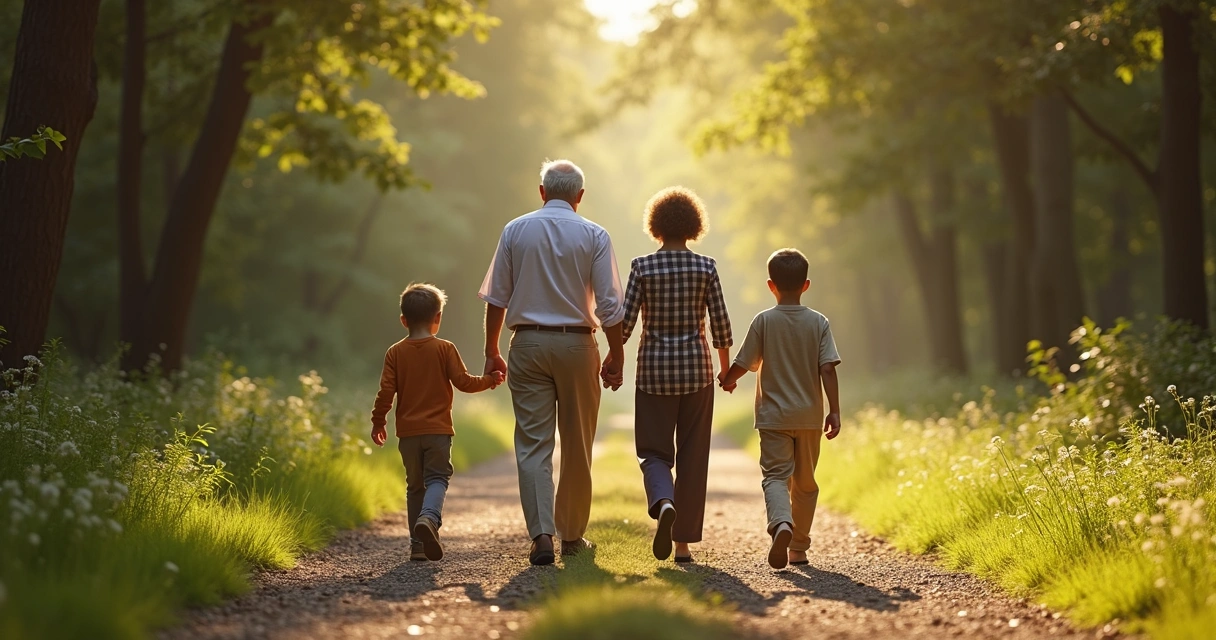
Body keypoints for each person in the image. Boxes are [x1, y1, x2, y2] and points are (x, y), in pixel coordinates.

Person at [478, 159, 626, 566]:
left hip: (526, 344)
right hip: (577, 345)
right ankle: (572, 537)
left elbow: (497, 297)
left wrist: (491, 350)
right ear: (580, 196)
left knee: (533, 444)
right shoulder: (595, 234)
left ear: (542, 192)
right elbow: (610, 304)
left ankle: (541, 534)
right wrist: (616, 352)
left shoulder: (515, 230)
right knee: (577, 444)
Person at [620, 186, 732, 564]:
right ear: (693, 225)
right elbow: (720, 324)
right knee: (693, 457)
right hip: (697, 373)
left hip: (653, 373)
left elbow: (624, 325)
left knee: (653, 451)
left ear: (656, 225)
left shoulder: (641, 267)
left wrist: (612, 360)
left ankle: (663, 500)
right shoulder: (707, 267)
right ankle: (682, 545)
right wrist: (726, 369)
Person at [719, 248, 841, 569]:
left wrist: (728, 380)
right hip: (810, 418)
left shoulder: (764, 321)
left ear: (771, 285)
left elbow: (744, 361)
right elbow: (828, 368)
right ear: (806, 285)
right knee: (805, 484)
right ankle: (798, 549)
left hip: (773, 417)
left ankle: (781, 523)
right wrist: (834, 410)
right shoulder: (819, 322)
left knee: (775, 477)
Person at [370, 283, 504, 562]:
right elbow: (464, 383)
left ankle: (418, 546)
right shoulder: (445, 348)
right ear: (438, 318)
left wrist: (378, 422)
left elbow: (386, 392)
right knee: (437, 479)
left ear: (403, 320)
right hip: (438, 432)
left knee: (414, 487)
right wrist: (490, 380)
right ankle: (429, 518)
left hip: (408, 434)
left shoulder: (395, 352)